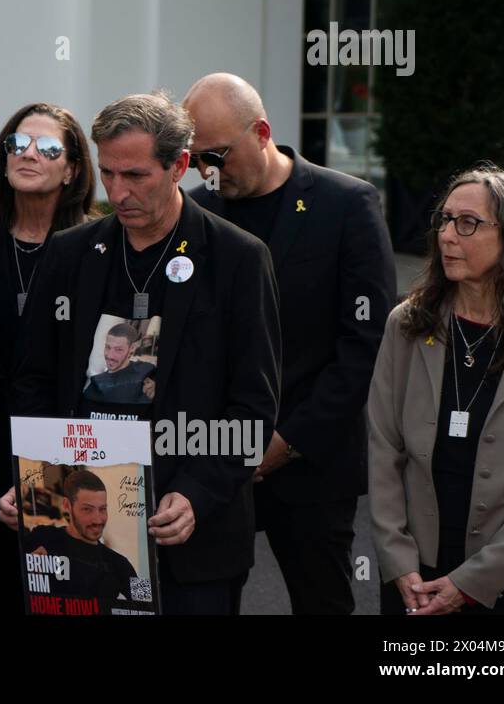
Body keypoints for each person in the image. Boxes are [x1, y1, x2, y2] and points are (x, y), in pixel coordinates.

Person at [1, 92, 280, 615]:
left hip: (194, 543)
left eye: (136, 175)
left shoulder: (239, 258)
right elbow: (33, 379)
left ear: (179, 166)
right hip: (76, 532)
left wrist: (197, 493)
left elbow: (253, 407)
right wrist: (29, 476)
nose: (118, 192)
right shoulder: (69, 253)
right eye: (108, 174)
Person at [183, 73, 395, 614]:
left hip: (312, 462)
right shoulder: (196, 211)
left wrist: (286, 442)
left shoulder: (346, 204)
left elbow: (364, 345)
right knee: (205, 596)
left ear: (261, 131)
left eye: (217, 154)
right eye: (195, 158)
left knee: (321, 600)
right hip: (217, 455)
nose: (208, 170)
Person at [370, 166, 504, 614]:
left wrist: (473, 582)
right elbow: (383, 451)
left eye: (468, 223)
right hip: (416, 578)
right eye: (444, 219)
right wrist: (399, 562)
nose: (447, 235)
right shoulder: (408, 326)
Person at [0, 102, 94, 614]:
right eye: (18, 143)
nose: (29, 154)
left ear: (73, 169)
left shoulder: (97, 250)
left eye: (48, 148)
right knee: (9, 600)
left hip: (74, 450)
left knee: (77, 597)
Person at [24, 469, 138, 612]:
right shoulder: (41, 537)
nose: (98, 520)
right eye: (87, 509)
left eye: (102, 509)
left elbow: (149, 603)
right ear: (67, 505)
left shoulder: (121, 564)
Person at [85, 322, 156, 407]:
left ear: (132, 348)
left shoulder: (147, 369)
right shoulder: (96, 383)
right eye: (108, 347)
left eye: (118, 350)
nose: (110, 356)